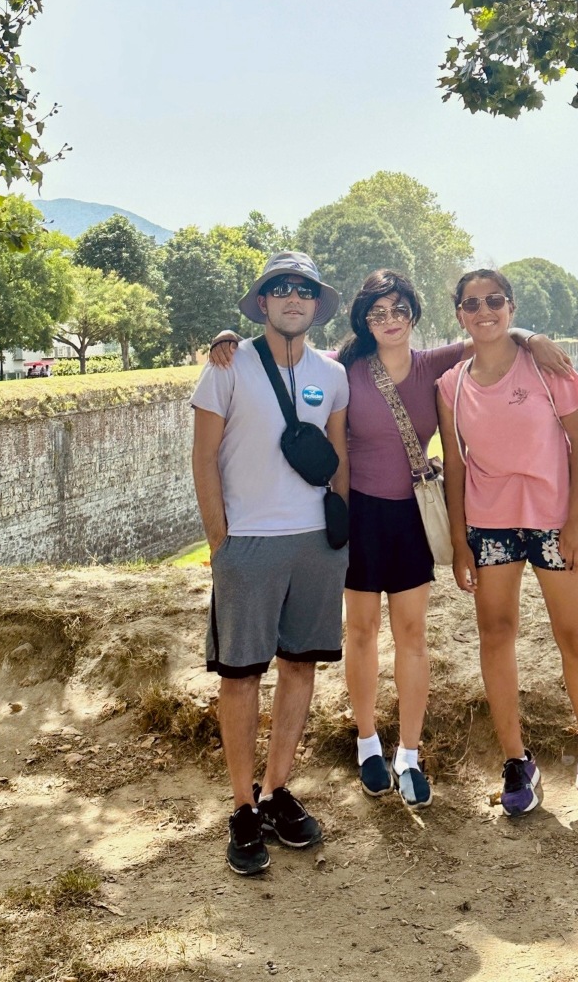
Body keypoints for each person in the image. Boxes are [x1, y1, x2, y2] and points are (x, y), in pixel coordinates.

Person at [209, 268, 571, 811]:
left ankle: (408, 751)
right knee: (361, 630)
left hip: (410, 517)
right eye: (378, 312)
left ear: (414, 315)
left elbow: (488, 334)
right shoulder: (343, 366)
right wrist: (228, 340)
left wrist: (532, 338)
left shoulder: (432, 365)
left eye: (399, 310)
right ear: (364, 319)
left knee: (411, 634)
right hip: (358, 515)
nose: (390, 320)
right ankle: (367, 743)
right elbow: (285, 357)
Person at [436, 268, 578, 819]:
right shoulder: (450, 385)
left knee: (576, 639)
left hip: (555, 522)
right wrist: (460, 542)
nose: (485, 311)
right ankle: (516, 761)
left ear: (511, 305)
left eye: (495, 300)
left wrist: (577, 520)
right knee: (496, 635)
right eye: (473, 303)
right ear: (459, 313)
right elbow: (454, 466)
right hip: (490, 526)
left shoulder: (547, 364)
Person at [191, 251, 350, 875]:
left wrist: (342, 527)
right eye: (280, 289)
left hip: (314, 541)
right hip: (248, 542)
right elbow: (204, 457)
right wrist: (218, 538)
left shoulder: (331, 374)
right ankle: (241, 807)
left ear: (316, 304)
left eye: (304, 290)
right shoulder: (227, 366)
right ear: (263, 303)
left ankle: (277, 788)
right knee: (240, 675)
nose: (293, 299)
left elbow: (337, 456)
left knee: (301, 667)